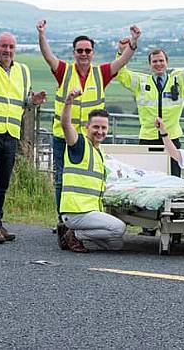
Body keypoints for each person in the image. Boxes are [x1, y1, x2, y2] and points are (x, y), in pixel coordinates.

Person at [37, 20, 140, 209]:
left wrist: (133, 42)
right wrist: (42, 34)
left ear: (93, 53)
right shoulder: (64, 71)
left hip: (90, 139)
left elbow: (122, 61)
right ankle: (63, 220)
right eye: (80, 50)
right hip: (63, 136)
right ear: (74, 52)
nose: (84, 54)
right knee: (61, 179)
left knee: (90, 178)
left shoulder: (101, 73)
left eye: (87, 50)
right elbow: (48, 55)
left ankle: (87, 213)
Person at [0, 0, 47, 244]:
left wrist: (33, 100)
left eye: (11, 47)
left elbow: (23, 101)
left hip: (10, 133)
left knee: (2, 182)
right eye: (4, 46)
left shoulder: (22, 71)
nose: (8, 50)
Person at [117, 33, 184, 176]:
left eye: (161, 61)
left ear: (167, 62)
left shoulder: (179, 81)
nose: (158, 64)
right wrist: (120, 51)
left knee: (173, 178)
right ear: (150, 64)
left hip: (172, 138)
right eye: (154, 61)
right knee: (146, 178)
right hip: (148, 138)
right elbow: (121, 73)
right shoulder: (141, 82)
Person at [56, 88, 126, 253]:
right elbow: (65, 124)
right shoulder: (79, 144)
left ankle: (73, 238)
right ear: (87, 126)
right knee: (119, 228)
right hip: (76, 212)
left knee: (116, 245)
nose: (100, 131)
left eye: (104, 128)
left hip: (91, 212)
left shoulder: (99, 152)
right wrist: (69, 102)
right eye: (96, 127)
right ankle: (75, 235)